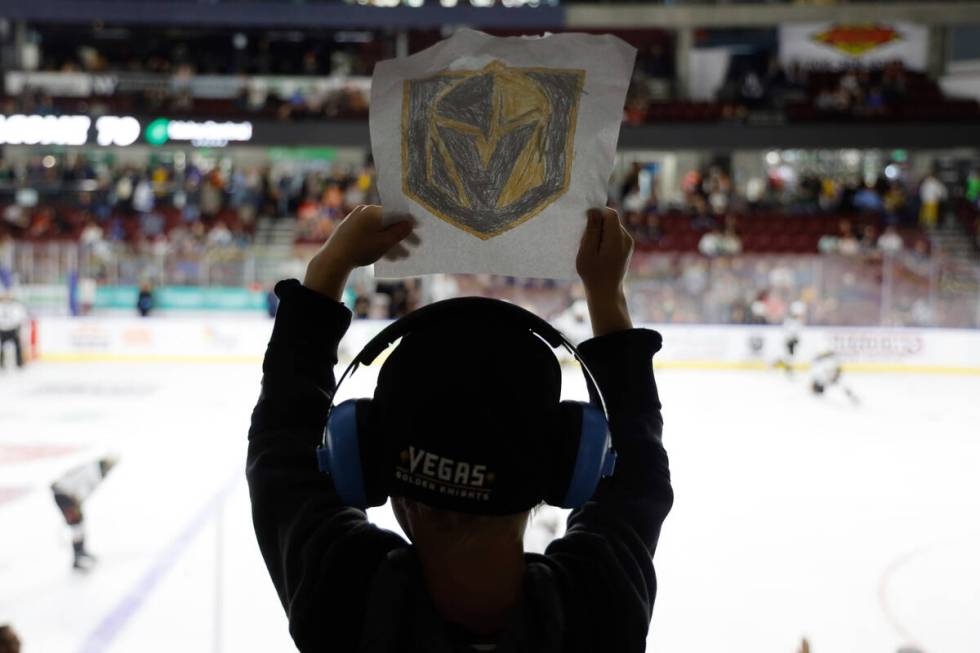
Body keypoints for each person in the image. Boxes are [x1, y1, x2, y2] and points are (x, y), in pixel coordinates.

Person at [247, 205, 673, 652]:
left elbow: (282, 450)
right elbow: (636, 472)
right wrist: (607, 295)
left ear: (365, 457)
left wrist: (329, 266)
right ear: (568, 464)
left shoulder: (340, 599)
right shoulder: (601, 613)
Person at [51, 456, 118, 571]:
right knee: (77, 526)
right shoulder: (94, 474)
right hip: (65, 495)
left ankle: (81, 553)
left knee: (78, 524)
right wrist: (75, 505)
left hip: (65, 494)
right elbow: (82, 492)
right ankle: (78, 556)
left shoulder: (90, 468)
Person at [0, 291, 28, 370]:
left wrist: (19, 327)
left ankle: (19, 363)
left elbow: (21, 317)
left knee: (18, 346)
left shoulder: (16, 306)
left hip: (13, 329)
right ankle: (1, 363)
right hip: (2, 330)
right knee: (1, 347)